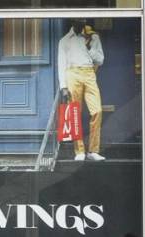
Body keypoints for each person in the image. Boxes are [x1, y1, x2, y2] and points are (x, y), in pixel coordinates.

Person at [58, 20, 107, 162]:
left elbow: (101, 60)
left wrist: (89, 46)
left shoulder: (94, 37)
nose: (82, 21)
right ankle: (79, 150)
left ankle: (93, 150)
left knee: (97, 110)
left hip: (89, 73)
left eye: (84, 18)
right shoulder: (65, 41)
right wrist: (63, 87)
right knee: (74, 112)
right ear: (72, 21)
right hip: (72, 73)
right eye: (78, 18)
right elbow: (61, 64)